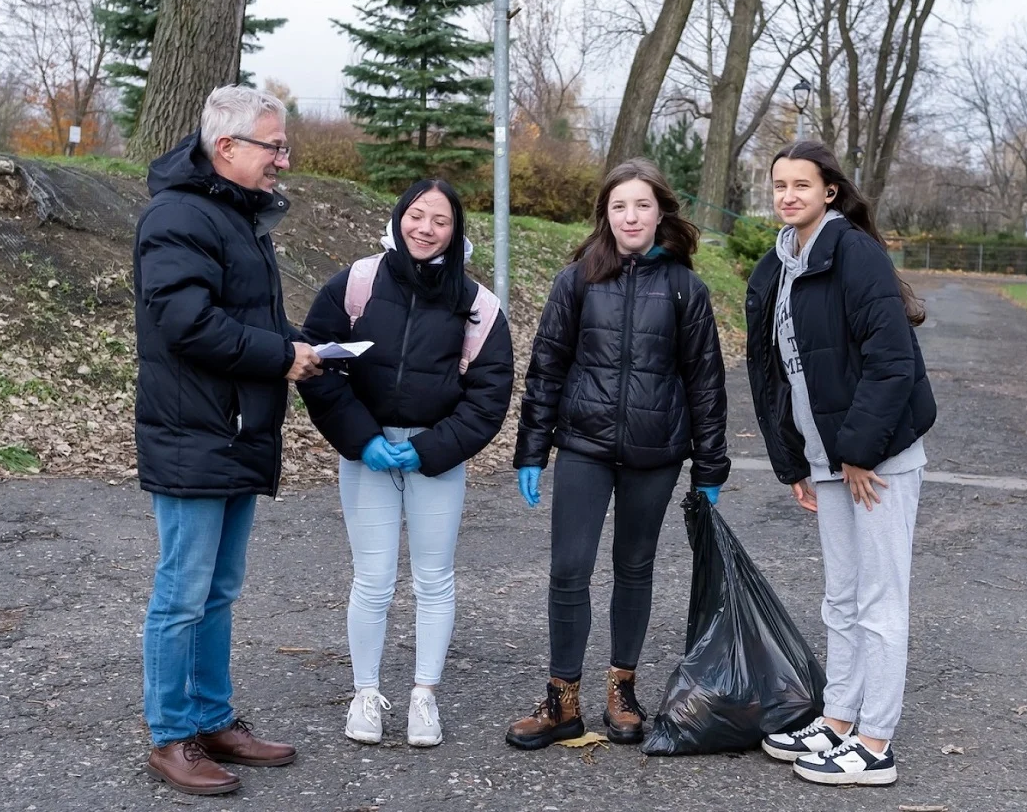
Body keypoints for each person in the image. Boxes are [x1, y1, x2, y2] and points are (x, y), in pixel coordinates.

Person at [505, 158, 730, 750]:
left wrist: (710, 466)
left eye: (642, 205)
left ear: (661, 212)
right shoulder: (576, 279)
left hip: (656, 453)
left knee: (635, 567)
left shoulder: (686, 288)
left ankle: (622, 690)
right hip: (583, 447)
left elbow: (706, 383)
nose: (631, 216)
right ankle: (562, 701)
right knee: (569, 569)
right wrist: (532, 449)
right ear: (606, 215)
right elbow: (546, 369)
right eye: (619, 206)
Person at [134, 85, 321, 796]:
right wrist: (281, 357)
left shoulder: (234, 215)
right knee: (181, 593)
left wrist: (306, 346)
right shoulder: (178, 215)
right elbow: (189, 324)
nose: (284, 157)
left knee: (218, 590)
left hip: (236, 433)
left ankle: (212, 718)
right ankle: (170, 733)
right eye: (274, 145)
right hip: (193, 434)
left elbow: (245, 317)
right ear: (228, 148)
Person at [745, 141, 936, 787]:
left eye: (802, 184)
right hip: (830, 461)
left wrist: (858, 451)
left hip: (878, 459)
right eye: (779, 185)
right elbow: (782, 375)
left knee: (881, 600)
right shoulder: (781, 262)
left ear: (830, 191)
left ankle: (875, 741)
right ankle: (838, 720)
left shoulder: (853, 252)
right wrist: (797, 459)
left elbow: (892, 361)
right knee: (842, 598)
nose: (788, 195)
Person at [298, 179, 513, 748]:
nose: (425, 228)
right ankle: (365, 694)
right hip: (367, 454)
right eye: (416, 215)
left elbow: (490, 396)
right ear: (398, 218)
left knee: (434, 579)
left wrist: (429, 448)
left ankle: (424, 696)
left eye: (439, 220)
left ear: (455, 231)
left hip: (434, 458)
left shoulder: (477, 305)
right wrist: (361, 437)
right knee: (372, 580)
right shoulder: (358, 282)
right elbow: (317, 361)